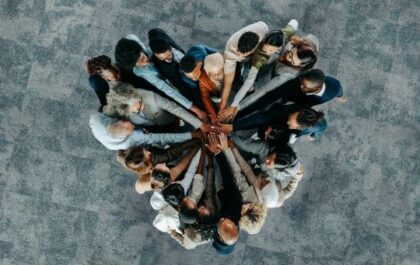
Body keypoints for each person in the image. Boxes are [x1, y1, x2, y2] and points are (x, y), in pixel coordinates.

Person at [218, 34, 319, 122]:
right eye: (291, 53)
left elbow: (264, 90)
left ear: (301, 66)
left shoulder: (289, 74)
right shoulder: (303, 42)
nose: (288, 58)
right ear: (296, 46)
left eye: (293, 61)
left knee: (259, 97)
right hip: (273, 64)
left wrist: (237, 107)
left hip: (277, 77)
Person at [114, 34, 208, 121]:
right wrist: (196, 110)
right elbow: (168, 89)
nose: (145, 62)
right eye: (140, 64)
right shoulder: (141, 72)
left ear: (141, 50)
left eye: (143, 57)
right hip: (172, 85)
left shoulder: (154, 48)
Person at [225, 20, 298, 111]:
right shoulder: (259, 57)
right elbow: (249, 80)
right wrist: (234, 104)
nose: (267, 53)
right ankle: (251, 90)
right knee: (247, 78)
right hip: (257, 63)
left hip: (278, 55)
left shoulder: (284, 34)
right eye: (265, 49)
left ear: (279, 46)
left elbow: (294, 23)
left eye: (271, 50)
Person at [216, 134, 268, 234]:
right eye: (246, 209)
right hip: (233, 182)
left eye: (242, 213)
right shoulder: (253, 197)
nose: (242, 209)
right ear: (254, 207)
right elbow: (237, 174)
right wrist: (226, 149)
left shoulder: (243, 216)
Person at [103, 83, 204, 132]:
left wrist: (200, 125)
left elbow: (175, 109)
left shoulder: (150, 96)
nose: (142, 107)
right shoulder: (119, 112)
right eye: (137, 110)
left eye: (140, 102)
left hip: (169, 118)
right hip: (153, 128)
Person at [219, 21, 270, 113]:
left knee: (250, 75)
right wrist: (223, 105)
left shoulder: (263, 29)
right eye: (239, 52)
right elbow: (228, 84)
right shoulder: (229, 52)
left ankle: (250, 88)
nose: (241, 56)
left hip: (256, 55)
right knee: (232, 76)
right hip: (232, 58)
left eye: (244, 54)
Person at [89, 112, 202, 151]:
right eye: (132, 128)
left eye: (131, 125)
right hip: (134, 142)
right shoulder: (135, 136)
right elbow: (163, 137)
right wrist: (191, 135)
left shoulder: (96, 118)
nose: (134, 126)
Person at [85, 55, 157, 111]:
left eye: (117, 73)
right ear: (105, 78)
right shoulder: (98, 81)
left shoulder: (127, 68)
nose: (117, 77)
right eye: (114, 77)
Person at [232, 105, 327, 141]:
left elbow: (286, 127)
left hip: (315, 129)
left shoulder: (320, 126)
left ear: (299, 127)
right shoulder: (302, 111)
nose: (287, 121)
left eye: (290, 123)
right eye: (290, 117)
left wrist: (313, 136)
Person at [116, 138, 200, 175]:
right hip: (170, 153)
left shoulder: (136, 163)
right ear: (146, 162)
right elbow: (180, 147)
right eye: (146, 154)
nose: (147, 151)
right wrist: (198, 139)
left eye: (143, 149)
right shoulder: (162, 156)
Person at [198, 52, 225, 123]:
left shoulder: (229, 66)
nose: (214, 77)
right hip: (215, 92)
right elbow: (205, 97)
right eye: (210, 74)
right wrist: (213, 116)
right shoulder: (202, 79)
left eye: (218, 74)